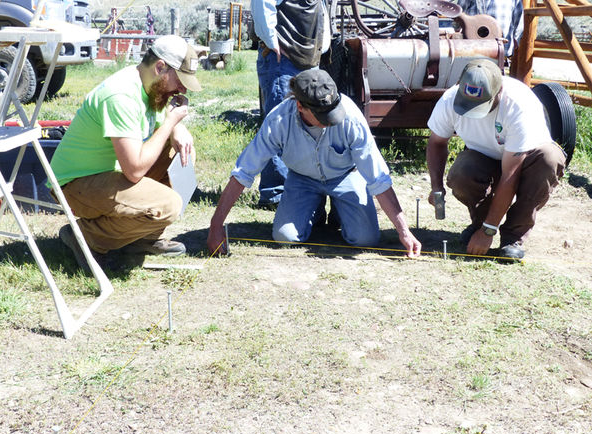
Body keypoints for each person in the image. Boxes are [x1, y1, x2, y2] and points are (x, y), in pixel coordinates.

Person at [207, 69, 421, 258]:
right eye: (323, 115)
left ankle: (340, 209)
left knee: (365, 240)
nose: (331, 120)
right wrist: (216, 226)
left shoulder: (351, 118)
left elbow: (378, 178)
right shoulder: (278, 121)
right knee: (285, 237)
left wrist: (403, 230)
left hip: (346, 175)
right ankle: (315, 210)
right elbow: (243, 172)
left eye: (333, 111)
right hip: (302, 179)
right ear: (300, 106)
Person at [50, 35, 202, 271]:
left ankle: (140, 240)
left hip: (107, 175)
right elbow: (134, 170)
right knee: (168, 204)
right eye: (180, 80)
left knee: (181, 153)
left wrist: (177, 128)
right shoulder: (121, 95)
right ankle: (85, 238)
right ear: (160, 67)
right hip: (74, 185)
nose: (182, 88)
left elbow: (159, 123)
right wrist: (171, 123)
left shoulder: (150, 86)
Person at [426, 59, 565, 259]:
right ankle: (479, 224)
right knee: (462, 171)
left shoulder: (518, 105)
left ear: (499, 91)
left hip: (526, 160)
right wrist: (436, 188)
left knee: (549, 160)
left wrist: (489, 231)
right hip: (485, 156)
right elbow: (436, 143)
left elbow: (511, 175)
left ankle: (512, 236)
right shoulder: (450, 100)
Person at [251, 0, 331, 208]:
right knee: (279, 124)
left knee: (303, 125)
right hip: (283, 59)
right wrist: (271, 41)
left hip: (305, 59)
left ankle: (294, 189)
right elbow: (263, 3)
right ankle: (276, 192)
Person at [457, 0, 523, 57]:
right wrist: (516, 39)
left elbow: (458, 14)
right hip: (501, 49)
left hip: (473, 47)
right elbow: (518, 21)